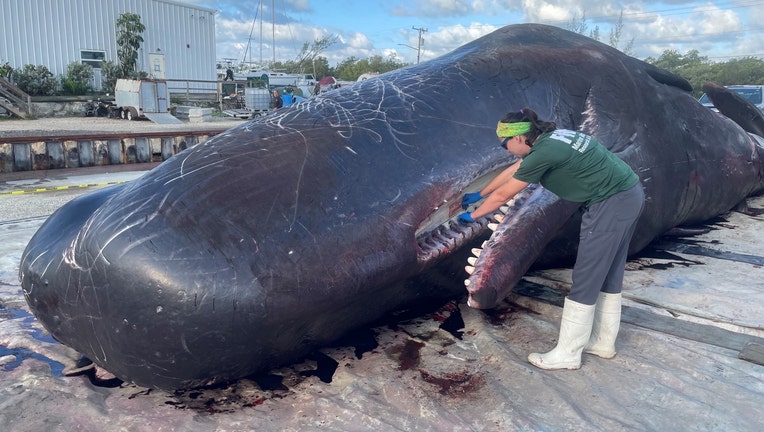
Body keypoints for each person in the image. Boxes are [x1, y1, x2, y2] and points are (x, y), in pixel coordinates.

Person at [459, 108, 644, 371]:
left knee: (587, 275)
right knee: (609, 273)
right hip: (628, 194)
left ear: (520, 138)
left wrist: (473, 216)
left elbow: (503, 197)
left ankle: (568, 353)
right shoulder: (553, 137)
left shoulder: (544, 153)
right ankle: (603, 342)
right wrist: (480, 192)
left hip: (610, 203)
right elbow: (515, 170)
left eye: (505, 143)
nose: (505, 149)